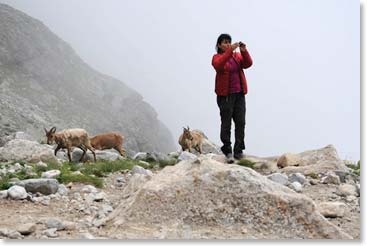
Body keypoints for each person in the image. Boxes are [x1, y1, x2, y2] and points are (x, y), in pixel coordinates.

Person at [211, 33, 253, 162]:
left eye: (229, 42)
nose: (228, 44)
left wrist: (244, 51)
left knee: (240, 122)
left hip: (239, 94)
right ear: (219, 45)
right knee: (226, 123)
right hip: (225, 96)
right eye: (224, 42)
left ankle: (238, 150)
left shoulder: (236, 56)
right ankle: (227, 150)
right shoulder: (216, 57)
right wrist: (230, 51)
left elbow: (248, 64)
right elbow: (219, 65)